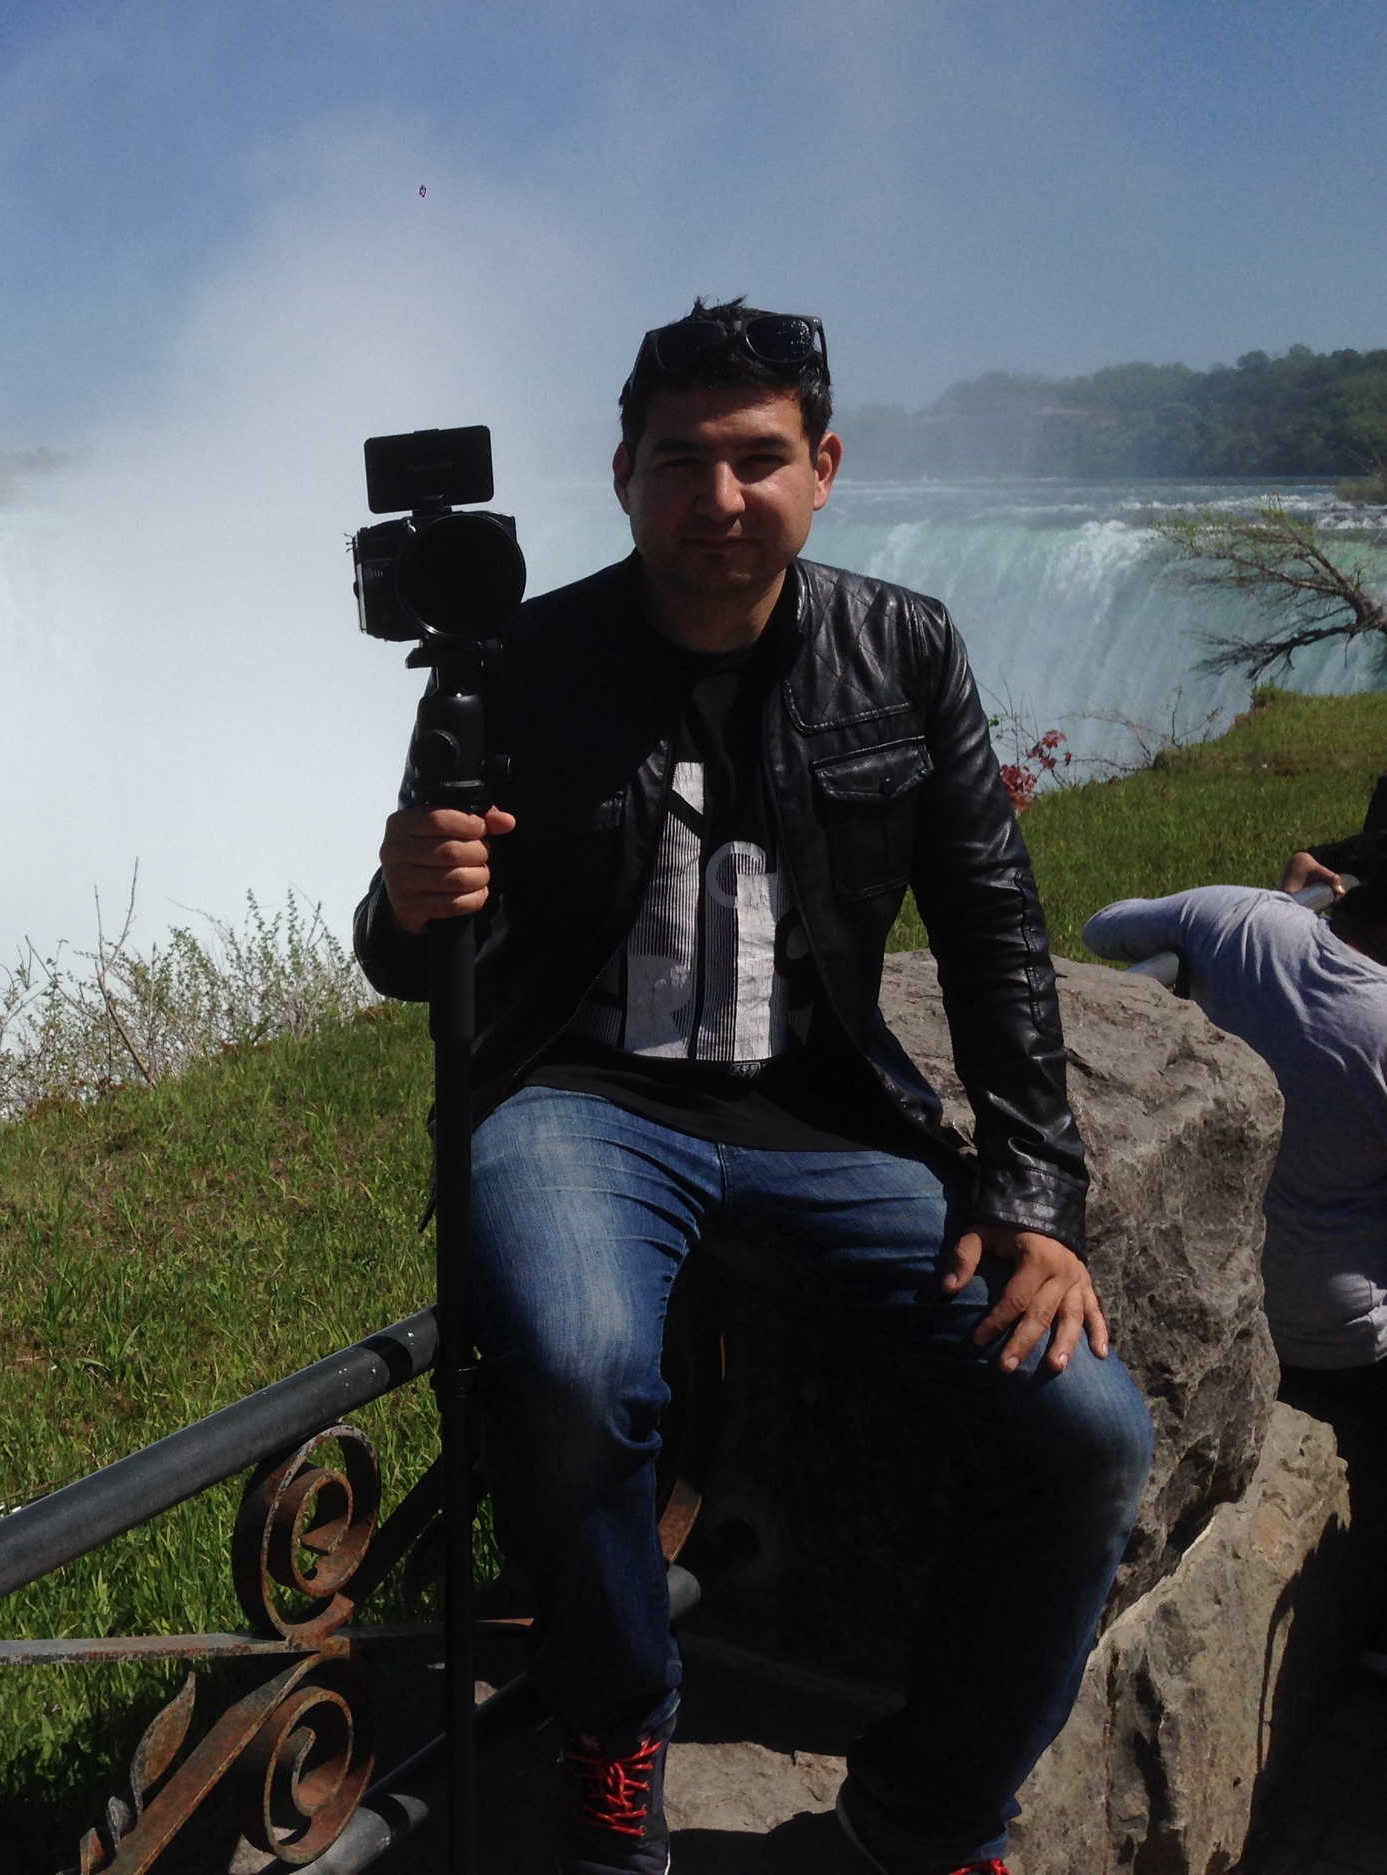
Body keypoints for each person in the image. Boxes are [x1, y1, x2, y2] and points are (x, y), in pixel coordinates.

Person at [353, 299, 1154, 1875]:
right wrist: (403, 893)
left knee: (1084, 1427)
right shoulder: (521, 664)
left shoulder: (904, 648)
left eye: (757, 458)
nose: (719, 496)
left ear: (825, 465)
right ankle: (613, 1727)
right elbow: (402, 949)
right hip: (578, 1099)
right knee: (579, 1368)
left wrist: (1035, 1196)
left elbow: (995, 935)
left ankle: (932, 1808)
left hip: (829, 1116)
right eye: (681, 462)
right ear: (624, 476)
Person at [1084, 838, 1387, 1680]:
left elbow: (1102, 928)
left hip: (1215, 1295)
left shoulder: (1246, 919)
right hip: (1337, 1342)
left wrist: (1284, 904)